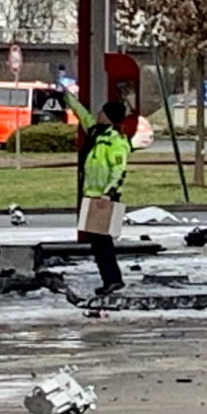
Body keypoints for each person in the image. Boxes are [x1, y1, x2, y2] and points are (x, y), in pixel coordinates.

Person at [63, 90, 131, 296]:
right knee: (97, 241)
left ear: (109, 116)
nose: (98, 114)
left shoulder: (115, 141)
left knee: (102, 242)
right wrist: (66, 97)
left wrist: (109, 193)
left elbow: (119, 170)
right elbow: (82, 114)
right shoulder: (95, 132)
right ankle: (110, 279)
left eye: (102, 112)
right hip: (92, 195)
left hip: (104, 197)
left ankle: (113, 280)